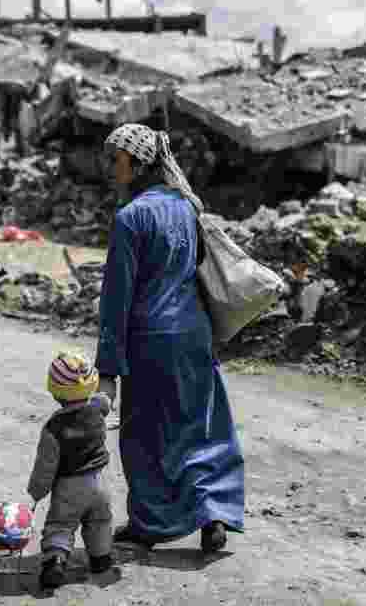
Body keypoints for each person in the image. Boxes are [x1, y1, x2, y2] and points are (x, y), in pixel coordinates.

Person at [95, 123, 245, 555]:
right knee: (200, 426)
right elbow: (197, 267)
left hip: (150, 339)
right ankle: (212, 512)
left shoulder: (130, 217)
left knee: (146, 434)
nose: (109, 167)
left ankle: (150, 523)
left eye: (116, 158)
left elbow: (116, 299)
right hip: (193, 333)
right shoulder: (187, 206)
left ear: (139, 163)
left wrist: (108, 368)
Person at [27, 350, 114, 589]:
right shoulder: (97, 408)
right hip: (101, 483)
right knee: (100, 521)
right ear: (91, 386)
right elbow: (105, 400)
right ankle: (101, 559)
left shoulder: (53, 428)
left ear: (55, 391)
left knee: (60, 525)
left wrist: (37, 491)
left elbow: (45, 467)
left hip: (69, 487)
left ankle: (55, 562)